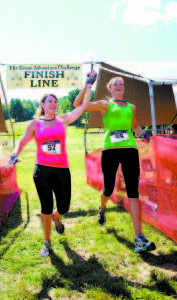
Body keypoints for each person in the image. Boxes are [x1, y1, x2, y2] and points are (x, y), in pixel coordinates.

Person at [7, 72, 96, 257]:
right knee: (45, 207)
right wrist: (15, 153)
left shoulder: (63, 120)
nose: (53, 104)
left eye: (55, 102)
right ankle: (47, 241)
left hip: (62, 170)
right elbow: (22, 141)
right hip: (42, 170)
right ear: (42, 105)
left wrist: (88, 85)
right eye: (49, 101)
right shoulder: (34, 123)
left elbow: (84, 106)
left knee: (64, 206)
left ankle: (58, 216)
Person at [73, 74, 156, 253]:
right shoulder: (105, 104)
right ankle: (102, 207)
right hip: (110, 150)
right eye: (115, 84)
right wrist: (87, 84)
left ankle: (139, 238)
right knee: (109, 189)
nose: (119, 86)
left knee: (133, 191)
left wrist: (143, 133)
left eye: (121, 84)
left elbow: (134, 126)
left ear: (123, 88)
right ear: (110, 89)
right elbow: (78, 105)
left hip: (130, 150)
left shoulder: (131, 107)